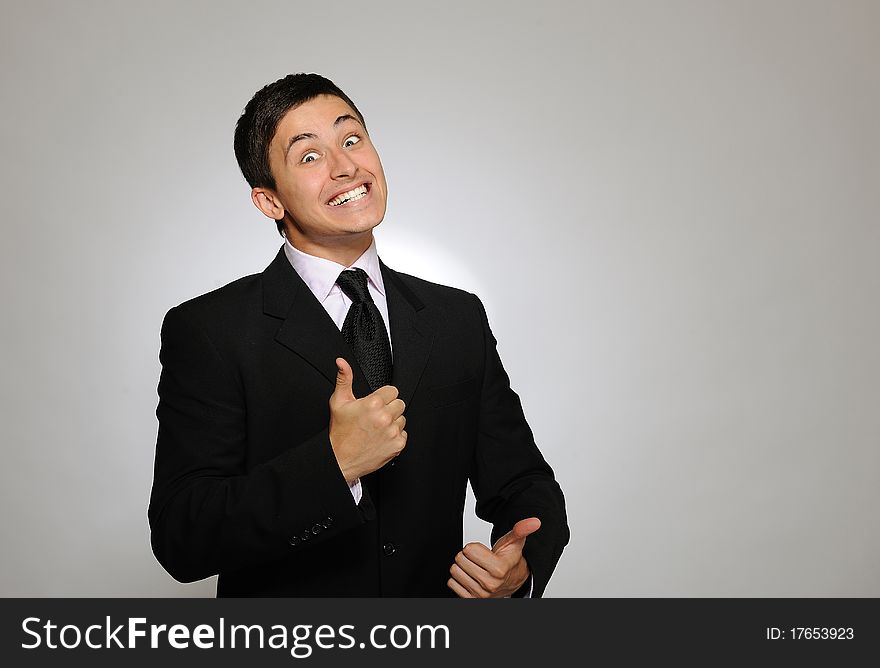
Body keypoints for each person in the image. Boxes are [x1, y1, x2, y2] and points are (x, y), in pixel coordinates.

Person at [148, 73, 569, 597]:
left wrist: (521, 561)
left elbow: (524, 481)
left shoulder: (456, 317)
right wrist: (335, 464)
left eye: (351, 140)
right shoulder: (211, 330)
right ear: (269, 201)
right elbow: (181, 536)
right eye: (309, 156)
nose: (346, 166)